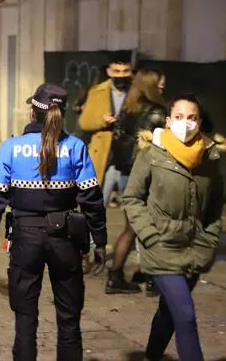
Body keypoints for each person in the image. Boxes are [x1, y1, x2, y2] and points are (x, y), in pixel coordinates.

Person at [0, 83, 107, 361]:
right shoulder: (75, 147)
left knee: (25, 320)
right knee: (69, 319)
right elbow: (92, 200)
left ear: (32, 114)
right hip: (66, 240)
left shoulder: (12, 147)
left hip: (25, 238)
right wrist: (100, 241)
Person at [122, 94, 224, 361]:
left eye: (192, 118)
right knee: (186, 315)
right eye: (179, 117)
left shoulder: (210, 156)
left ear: (200, 121)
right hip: (161, 246)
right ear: (168, 121)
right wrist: (149, 235)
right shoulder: (152, 153)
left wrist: (210, 239)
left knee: (169, 311)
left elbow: (216, 204)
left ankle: (152, 356)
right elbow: (132, 197)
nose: (186, 123)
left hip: (195, 248)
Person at [106, 68, 167, 295]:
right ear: (151, 84)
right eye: (160, 82)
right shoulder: (158, 112)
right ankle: (152, 280)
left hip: (126, 176)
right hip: (148, 177)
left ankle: (117, 276)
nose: (163, 86)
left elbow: (117, 143)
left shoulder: (127, 109)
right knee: (153, 228)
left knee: (131, 228)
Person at [78, 53, 133, 204]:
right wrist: (102, 120)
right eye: (117, 71)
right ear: (109, 72)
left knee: (132, 202)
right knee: (99, 201)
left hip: (129, 153)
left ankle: (130, 228)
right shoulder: (96, 92)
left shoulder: (137, 91)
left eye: (125, 71)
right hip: (104, 152)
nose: (121, 75)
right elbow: (84, 122)